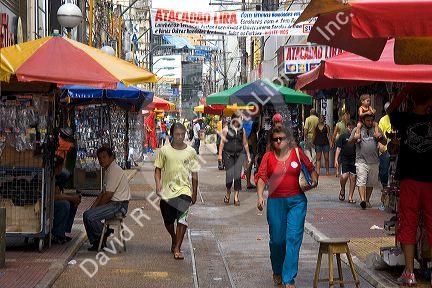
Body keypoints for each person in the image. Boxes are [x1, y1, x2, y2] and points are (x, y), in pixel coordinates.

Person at [255, 126, 318, 287]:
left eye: (281, 139)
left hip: (297, 202)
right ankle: (277, 270)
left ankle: (288, 278)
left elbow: (311, 169)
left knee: (293, 238)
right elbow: (262, 176)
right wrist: (260, 196)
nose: (278, 142)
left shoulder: (297, 153)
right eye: (275, 139)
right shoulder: (268, 157)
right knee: (277, 241)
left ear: (287, 139)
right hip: (276, 202)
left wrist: (313, 180)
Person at [386, 84, 432, 286]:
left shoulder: (404, 119)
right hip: (430, 181)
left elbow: (389, 111)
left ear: (412, 99)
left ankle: (409, 273)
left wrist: (404, 91)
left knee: (409, 223)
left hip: (409, 181)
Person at [154, 123, 199, 260]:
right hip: (167, 192)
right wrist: (158, 185)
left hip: (184, 190)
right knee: (168, 221)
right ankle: (174, 238)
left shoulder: (191, 152)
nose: (180, 137)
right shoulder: (164, 150)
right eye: (177, 134)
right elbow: (157, 170)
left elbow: (195, 173)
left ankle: (178, 248)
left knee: (182, 219)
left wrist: (194, 192)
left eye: (182, 134)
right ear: (171, 135)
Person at [83, 146, 131, 251]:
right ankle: (97, 241)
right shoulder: (108, 170)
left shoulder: (114, 170)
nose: (101, 160)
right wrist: (93, 207)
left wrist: (95, 210)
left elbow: (108, 195)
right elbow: (103, 193)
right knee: (87, 214)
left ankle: (102, 233)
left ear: (111, 157)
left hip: (118, 205)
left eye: (104, 157)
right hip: (113, 204)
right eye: (100, 158)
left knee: (89, 216)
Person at [349, 114, 387, 209]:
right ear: (363, 120)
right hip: (361, 160)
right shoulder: (357, 129)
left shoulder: (376, 129)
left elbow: (385, 142)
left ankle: (367, 200)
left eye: (371, 121)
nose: (369, 122)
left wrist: (380, 137)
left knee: (370, 182)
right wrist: (355, 138)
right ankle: (362, 200)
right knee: (361, 180)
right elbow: (349, 142)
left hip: (374, 160)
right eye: (367, 121)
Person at [218, 114, 252, 206]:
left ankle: (236, 197)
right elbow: (222, 142)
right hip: (228, 154)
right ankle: (228, 193)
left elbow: (245, 143)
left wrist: (248, 155)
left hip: (239, 154)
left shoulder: (242, 130)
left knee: (237, 175)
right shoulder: (226, 129)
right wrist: (220, 155)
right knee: (230, 174)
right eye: (240, 118)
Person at [52, 156, 81, 244]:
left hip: (54, 199)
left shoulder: (58, 177)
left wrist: (73, 198)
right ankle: (57, 234)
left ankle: (63, 231)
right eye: (62, 167)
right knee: (64, 205)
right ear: (58, 167)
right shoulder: (49, 176)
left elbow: (58, 194)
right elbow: (54, 196)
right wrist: (72, 198)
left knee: (71, 203)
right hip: (47, 203)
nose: (62, 169)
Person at [335, 120, 357, 203]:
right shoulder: (343, 136)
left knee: (353, 178)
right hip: (344, 158)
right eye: (349, 127)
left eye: (352, 128)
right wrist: (336, 160)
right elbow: (338, 148)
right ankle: (343, 188)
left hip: (354, 158)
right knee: (344, 176)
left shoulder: (356, 137)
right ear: (347, 128)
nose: (351, 129)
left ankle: (350, 197)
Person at [378, 102, 393, 211]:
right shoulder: (383, 120)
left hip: (396, 150)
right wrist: (381, 146)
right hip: (386, 149)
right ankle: (384, 192)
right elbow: (379, 135)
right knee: (384, 172)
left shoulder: (397, 118)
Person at [331, 112, 350, 176]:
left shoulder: (349, 124)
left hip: (347, 142)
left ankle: (346, 169)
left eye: (347, 116)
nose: (346, 117)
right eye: (345, 116)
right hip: (339, 142)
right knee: (338, 156)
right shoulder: (338, 124)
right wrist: (332, 142)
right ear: (342, 117)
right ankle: (337, 171)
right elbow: (334, 133)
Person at [246, 121, 259, 189]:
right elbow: (253, 145)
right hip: (251, 151)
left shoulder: (249, 133)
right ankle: (248, 183)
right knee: (250, 166)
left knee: (249, 166)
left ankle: (248, 182)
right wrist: (256, 153)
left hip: (248, 150)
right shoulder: (253, 134)